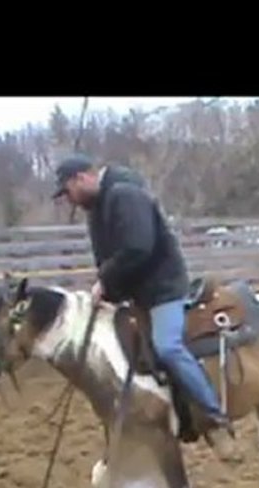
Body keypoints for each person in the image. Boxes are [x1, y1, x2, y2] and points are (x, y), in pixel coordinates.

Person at [51, 153, 239, 461]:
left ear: (82, 178)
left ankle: (215, 418)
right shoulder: (97, 209)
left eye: (68, 191)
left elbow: (138, 247)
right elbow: (107, 259)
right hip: (135, 292)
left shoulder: (125, 196)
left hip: (163, 289)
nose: (69, 200)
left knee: (167, 347)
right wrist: (106, 288)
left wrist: (107, 280)